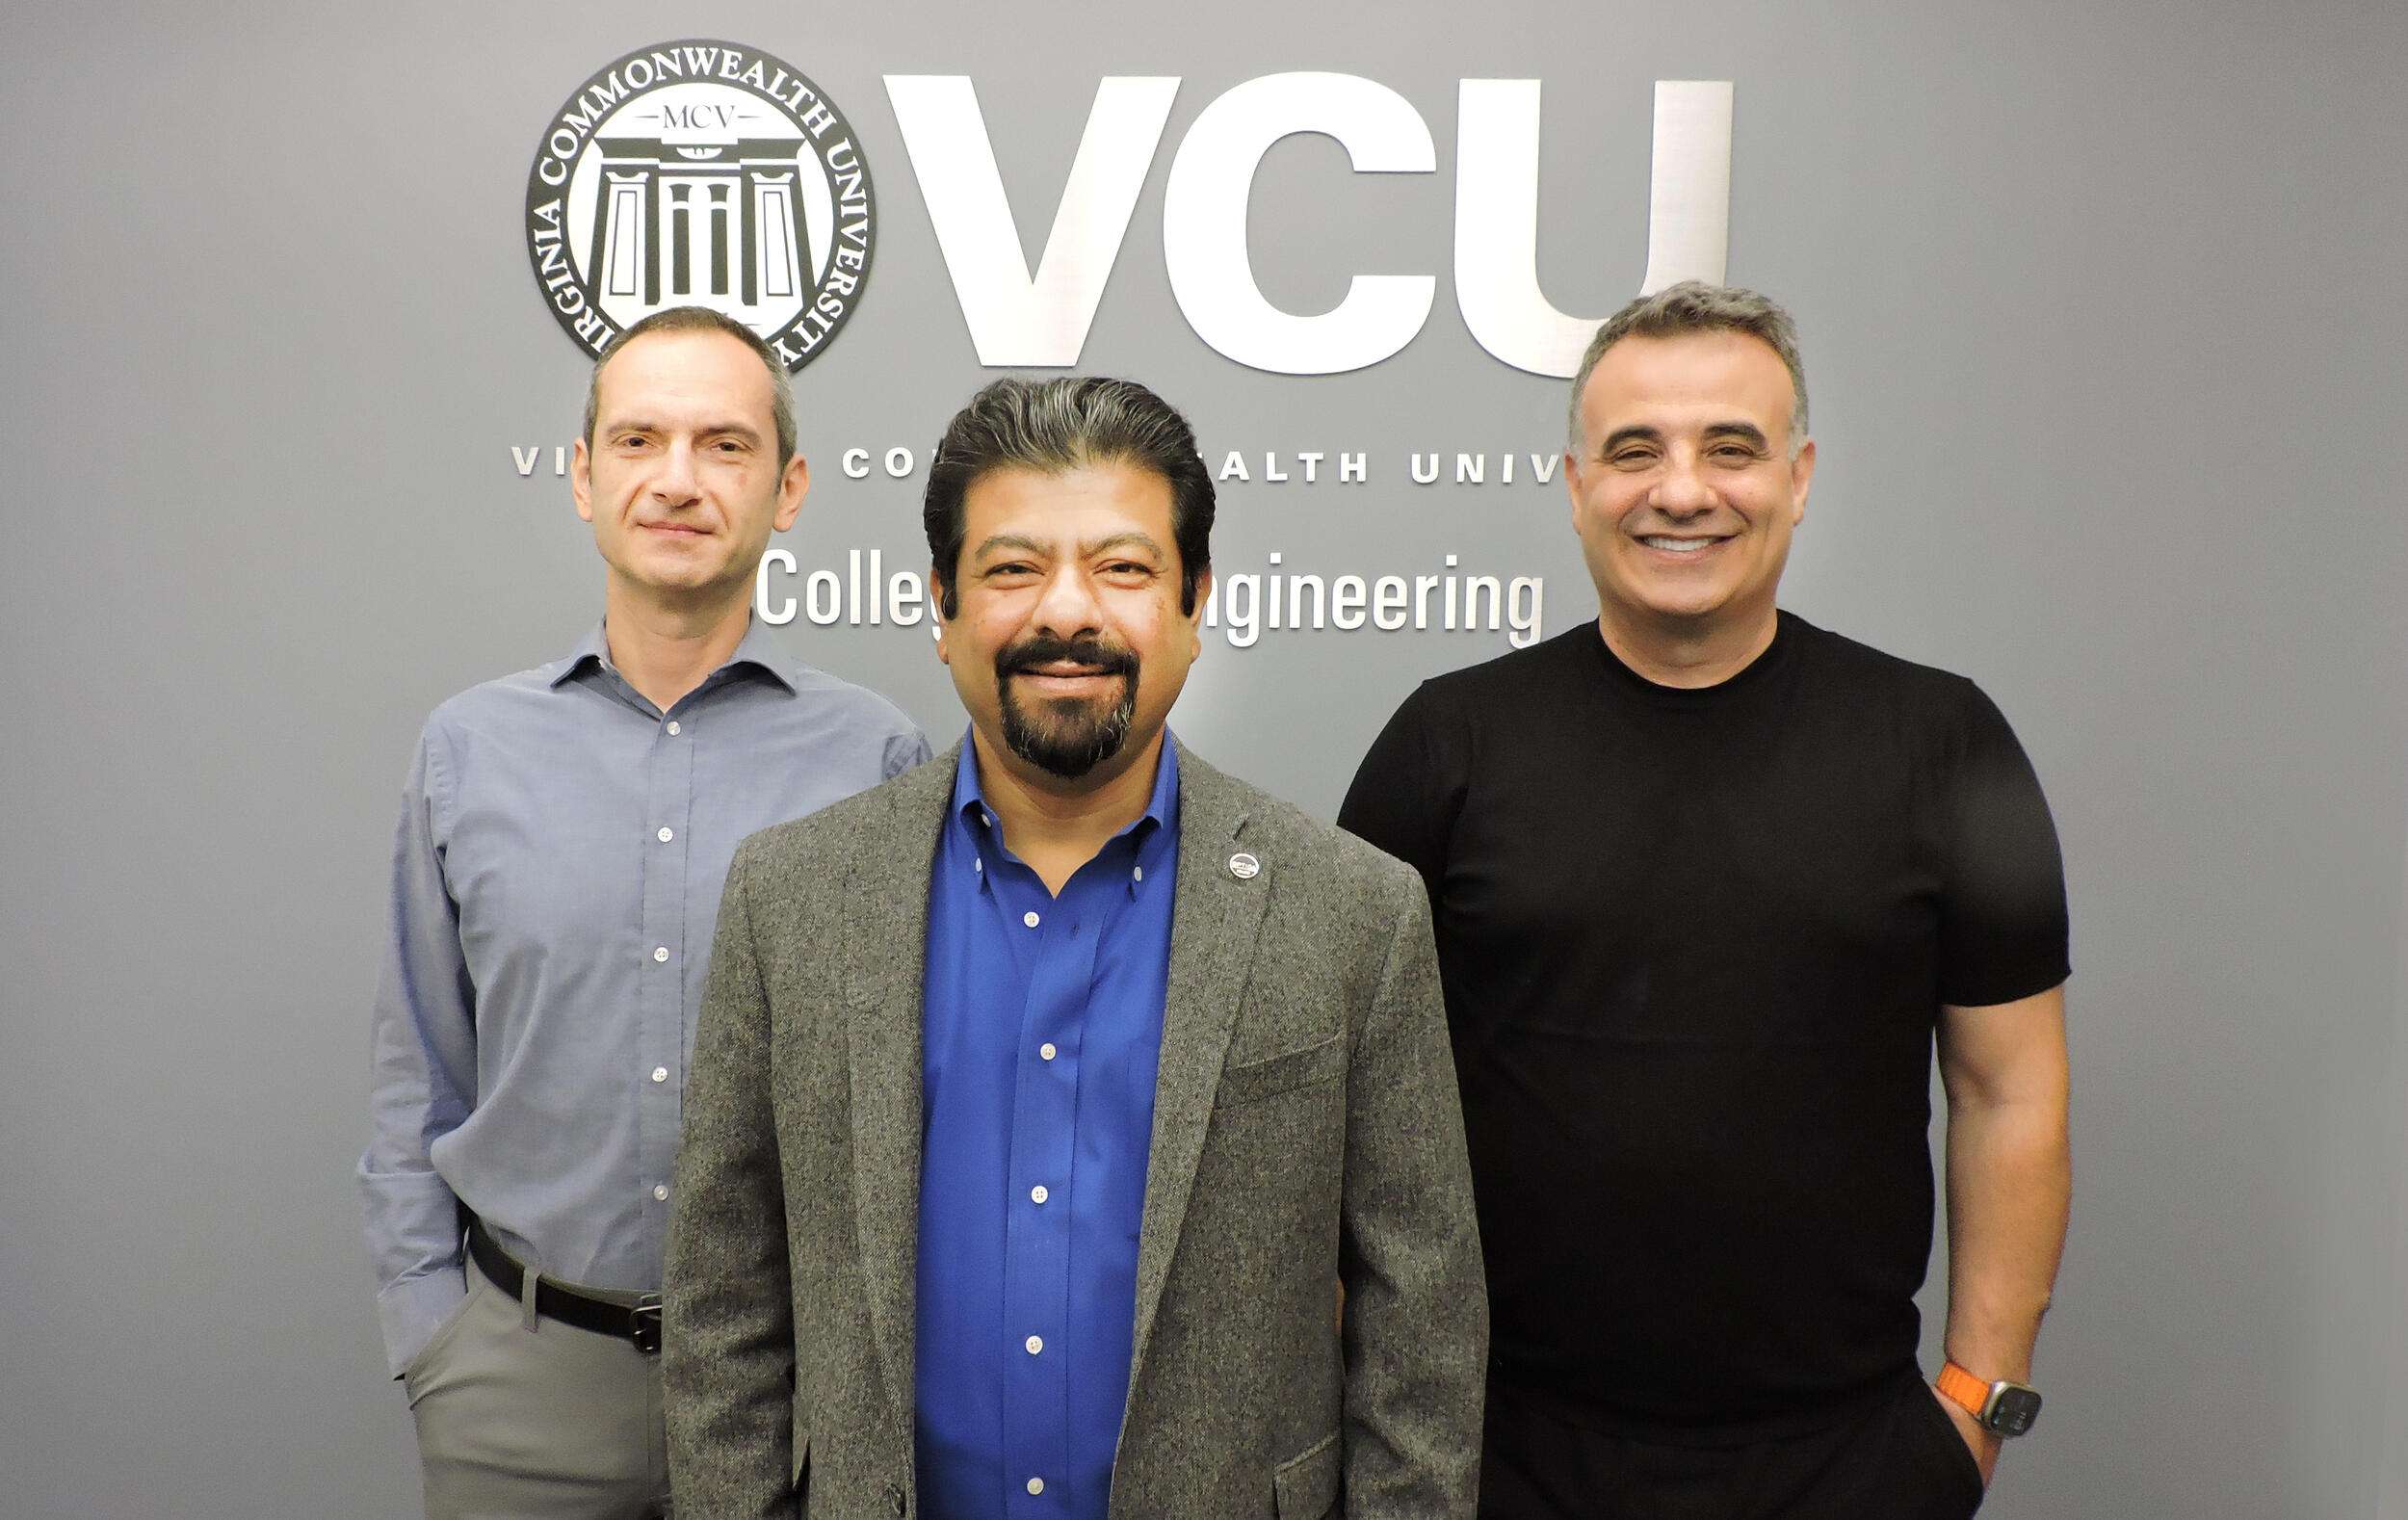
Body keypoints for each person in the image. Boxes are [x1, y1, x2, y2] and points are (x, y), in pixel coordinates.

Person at [663, 376, 1487, 1520]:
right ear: (942, 605)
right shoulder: (792, 897)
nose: (1066, 613)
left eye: (1123, 567)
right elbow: (723, 1300)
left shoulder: (1350, 913)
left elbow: (1422, 1333)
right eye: (1011, 570)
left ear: (1195, 604)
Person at [1339, 283, 2072, 1520]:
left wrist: (1973, 1407)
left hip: (1850, 1464)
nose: (1682, 490)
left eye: (1729, 448)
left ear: (1798, 476)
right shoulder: (1445, 745)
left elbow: (2010, 1091)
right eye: (1636, 451)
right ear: (1575, 484)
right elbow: (1341, 1108)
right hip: (1495, 1457)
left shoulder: (1943, 744)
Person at [358, 305, 929, 1520]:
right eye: (638, 441)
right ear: (581, 476)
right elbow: (420, 1066)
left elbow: (909, 1096)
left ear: (789, 489)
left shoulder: (874, 757)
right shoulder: (469, 749)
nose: (677, 480)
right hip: (519, 1387)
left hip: (787, 1397)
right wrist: (431, 1334)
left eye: (724, 445)